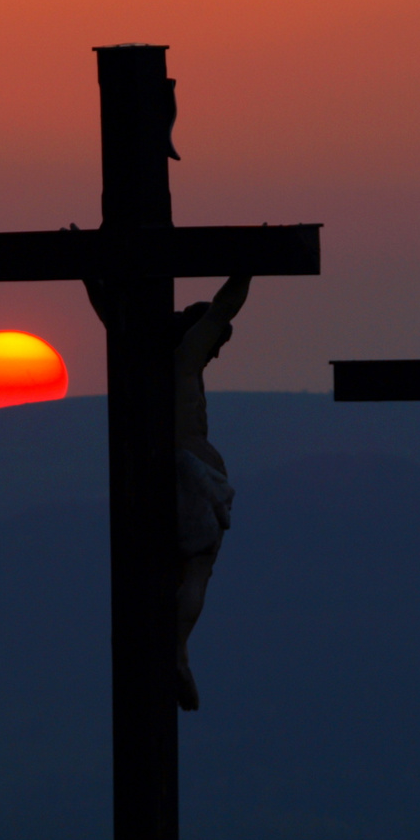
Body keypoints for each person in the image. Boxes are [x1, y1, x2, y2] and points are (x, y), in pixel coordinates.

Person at [171, 275, 251, 711]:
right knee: (198, 567)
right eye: (217, 342)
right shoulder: (184, 361)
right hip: (193, 476)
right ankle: (178, 651)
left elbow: (111, 311)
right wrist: (250, 266)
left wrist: (91, 274)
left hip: (155, 476)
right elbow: (224, 307)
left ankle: (173, 648)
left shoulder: (141, 361)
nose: (217, 351)